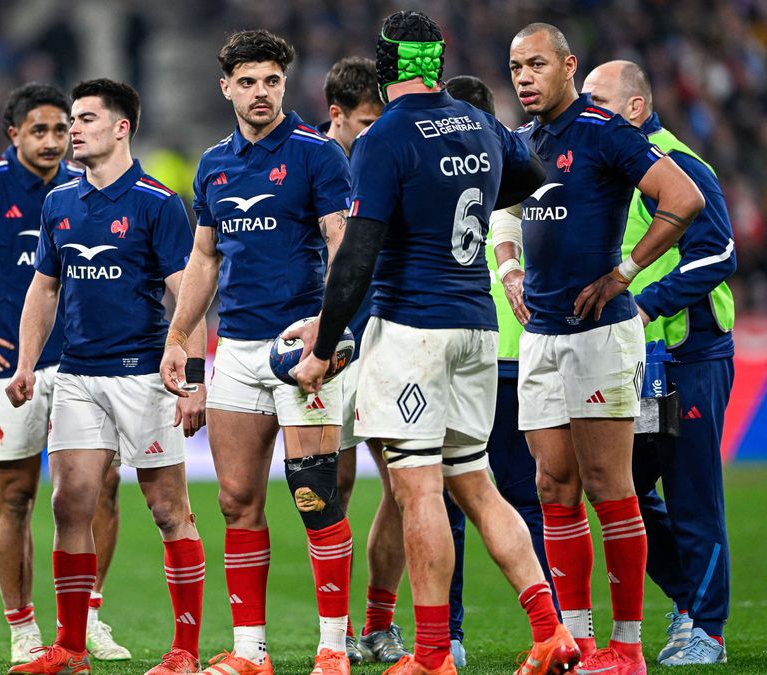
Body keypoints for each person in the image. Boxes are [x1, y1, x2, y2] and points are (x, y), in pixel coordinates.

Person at [291, 11, 578, 675]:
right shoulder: (478, 120)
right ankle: (549, 630)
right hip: (475, 324)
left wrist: (324, 345)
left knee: (418, 492)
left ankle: (428, 657)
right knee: (475, 481)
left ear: (388, 67)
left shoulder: (384, 137)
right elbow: (530, 175)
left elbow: (358, 252)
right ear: (438, 61)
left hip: (413, 330)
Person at [504, 22, 706, 675]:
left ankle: (626, 648)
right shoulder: (522, 141)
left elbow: (684, 198)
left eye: (537, 64)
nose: (525, 77)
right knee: (551, 485)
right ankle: (579, 642)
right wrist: (508, 269)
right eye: (516, 68)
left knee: (607, 485)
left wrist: (624, 272)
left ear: (568, 65)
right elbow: (505, 214)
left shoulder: (603, 129)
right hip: (541, 336)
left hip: (600, 331)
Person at [162, 30, 353, 675]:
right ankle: (251, 653)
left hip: (302, 346)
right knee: (236, 499)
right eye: (248, 81)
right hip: (238, 350)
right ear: (227, 88)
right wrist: (182, 340)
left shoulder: (317, 156)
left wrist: (328, 333)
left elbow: (342, 246)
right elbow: (204, 257)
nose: (261, 92)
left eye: (271, 80)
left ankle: (333, 648)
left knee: (315, 496)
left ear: (285, 84)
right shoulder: (213, 165)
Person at [5, 78, 207, 675]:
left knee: (168, 507)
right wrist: (24, 363)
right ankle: (68, 650)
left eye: (86, 119)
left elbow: (187, 295)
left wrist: (194, 376)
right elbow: (43, 289)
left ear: (121, 128)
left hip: (144, 375)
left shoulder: (157, 202)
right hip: (77, 376)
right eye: (73, 119)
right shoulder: (59, 202)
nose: (73, 130)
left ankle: (186, 652)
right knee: (70, 504)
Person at [0, 82, 130, 664]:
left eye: (62, 129)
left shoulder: (87, 186)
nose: (53, 140)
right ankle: (22, 627)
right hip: (8, 368)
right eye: (39, 130)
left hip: (86, 365)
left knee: (101, 489)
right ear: (13, 134)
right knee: (15, 497)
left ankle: (87, 616)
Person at [583, 59, 737, 666]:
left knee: (693, 493)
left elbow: (719, 253)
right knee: (617, 487)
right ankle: (688, 600)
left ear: (636, 109)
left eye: (596, 99)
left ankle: (709, 631)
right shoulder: (614, 166)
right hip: (636, 359)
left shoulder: (679, 167)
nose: (585, 108)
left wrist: (646, 304)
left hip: (688, 352)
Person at [440, 73, 561, 668]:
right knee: (505, 495)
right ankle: (553, 627)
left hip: (496, 358)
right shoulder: (517, 166)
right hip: (505, 356)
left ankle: (456, 637)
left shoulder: (502, 169)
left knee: (463, 495)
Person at [319, 57, 407, 666]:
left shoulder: (388, 158)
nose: (375, 131)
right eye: (367, 121)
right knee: (334, 490)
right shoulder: (312, 163)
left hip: (387, 338)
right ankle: (338, 629)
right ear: (338, 116)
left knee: (406, 485)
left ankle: (380, 623)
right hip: (327, 348)